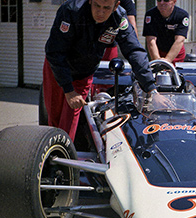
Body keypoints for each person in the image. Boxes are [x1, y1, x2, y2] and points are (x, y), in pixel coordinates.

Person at [43, 0, 160, 141]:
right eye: (97, 6)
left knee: (69, 120)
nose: (101, 12)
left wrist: (151, 89)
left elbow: (134, 50)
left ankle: (65, 157)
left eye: (106, 8)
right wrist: (68, 90)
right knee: (54, 117)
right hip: (58, 68)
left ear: (116, 5)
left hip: (84, 73)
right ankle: (52, 153)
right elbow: (54, 52)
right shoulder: (70, 10)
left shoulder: (119, 17)